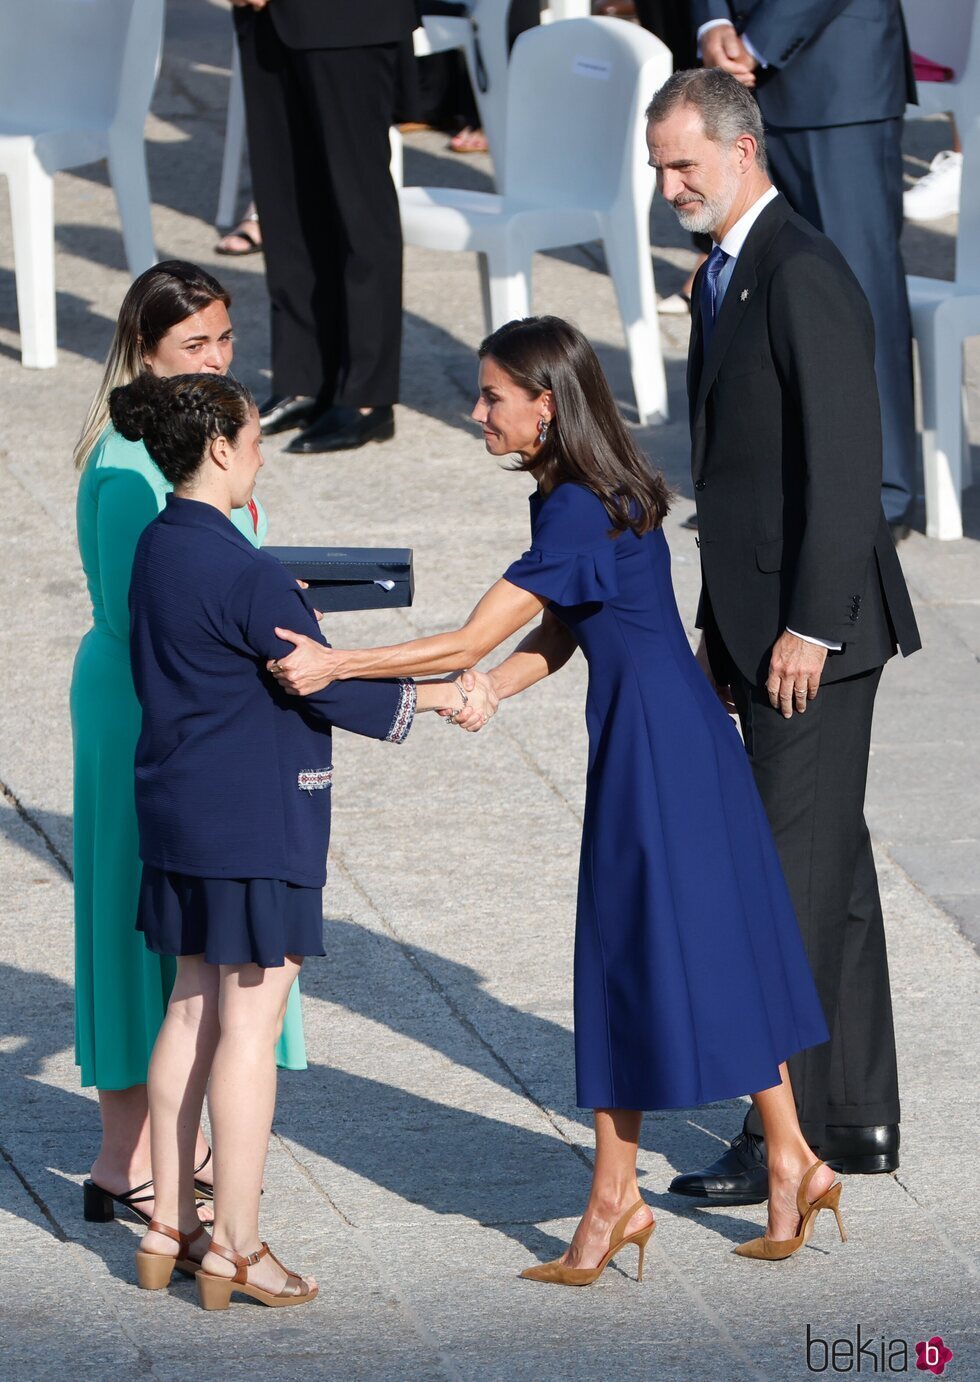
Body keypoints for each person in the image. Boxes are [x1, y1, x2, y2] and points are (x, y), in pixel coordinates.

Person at [268, 315, 848, 1276]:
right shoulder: (588, 493)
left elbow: (464, 641)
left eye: (493, 395)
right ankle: (787, 1159)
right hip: (674, 740)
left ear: (547, 404)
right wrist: (498, 687)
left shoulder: (576, 506)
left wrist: (340, 664)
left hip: (655, 755)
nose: (476, 409)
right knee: (713, 948)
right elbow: (575, 628)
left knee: (627, 962)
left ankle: (616, 1204)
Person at [115, 372, 475, 1308]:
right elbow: (323, 682)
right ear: (224, 448)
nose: (262, 452)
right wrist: (440, 695)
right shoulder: (249, 569)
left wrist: (282, 602)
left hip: (178, 812)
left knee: (190, 1009)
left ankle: (166, 1225)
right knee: (251, 1023)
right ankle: (237, 1245)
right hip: (255, 820)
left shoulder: (158, 545)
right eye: (252, 437)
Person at [645, 69, 921, 1208]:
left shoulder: (799, 270)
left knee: (781, 891)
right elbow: (744, 474)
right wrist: (727, 625)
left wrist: (807, 623)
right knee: (831, 877)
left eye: (682, 167)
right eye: (658, 170)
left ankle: (784, 1138)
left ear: (743, 151)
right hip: (760, 625)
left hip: (814, 634)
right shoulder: (729, 271)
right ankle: (851, 1117)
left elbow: (847, 469)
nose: (667, 188)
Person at [71, 260, 306, 1229]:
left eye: (222, 340)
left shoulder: (170, 439)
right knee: (145, 932)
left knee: (160, 934)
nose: (212, 360)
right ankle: (127, 1156)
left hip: (159, 696)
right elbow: (157, 614)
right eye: (190, 346)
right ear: (144, 350)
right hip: (153, 709)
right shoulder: (134, 466)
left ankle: (155, 1154)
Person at [693, 0, 919, 538]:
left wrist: (758, 41)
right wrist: (712, 22)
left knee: (857, 292)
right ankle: (769, 482)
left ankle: (877, 493)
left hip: (840, 79)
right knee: (753, 285)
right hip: (738, 81)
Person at [231, 0, 417, 454]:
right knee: (284, 200)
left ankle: (367, 396)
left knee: (359, 206)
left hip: (345, 19)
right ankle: (305, 377)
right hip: (265, 20)